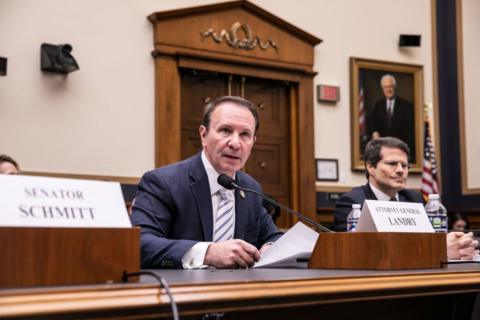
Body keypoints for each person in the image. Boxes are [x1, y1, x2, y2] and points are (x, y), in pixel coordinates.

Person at [131, 96, 282, 269]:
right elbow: (140, 244)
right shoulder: (163, 182)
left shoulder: (250, 188)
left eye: (245, 134)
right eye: (225, 130)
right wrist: (207, 253)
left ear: (253, 142)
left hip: (240, 291)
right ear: (203, 134)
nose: (235, 143)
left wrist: (271, 248)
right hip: (180, 292)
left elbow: (273, 237)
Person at [333, 137, 478, 260]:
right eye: (392, 164)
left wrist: (459, 244)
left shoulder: (414, 199)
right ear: (371, 167)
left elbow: (431, 237)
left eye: (405, 165)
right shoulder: (353, 202)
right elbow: (358, 252)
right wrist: (439, 250)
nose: (400, 170)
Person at [368, 74, 415, 161]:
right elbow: (371, 122)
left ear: (394, 87)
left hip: (400, 150)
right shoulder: (378, 105)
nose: (388, 89)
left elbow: (410, 132)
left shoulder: (406, 106)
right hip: (383, 151)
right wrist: (374, 132)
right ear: (382, 89)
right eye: (386, 87)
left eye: (390, 86)